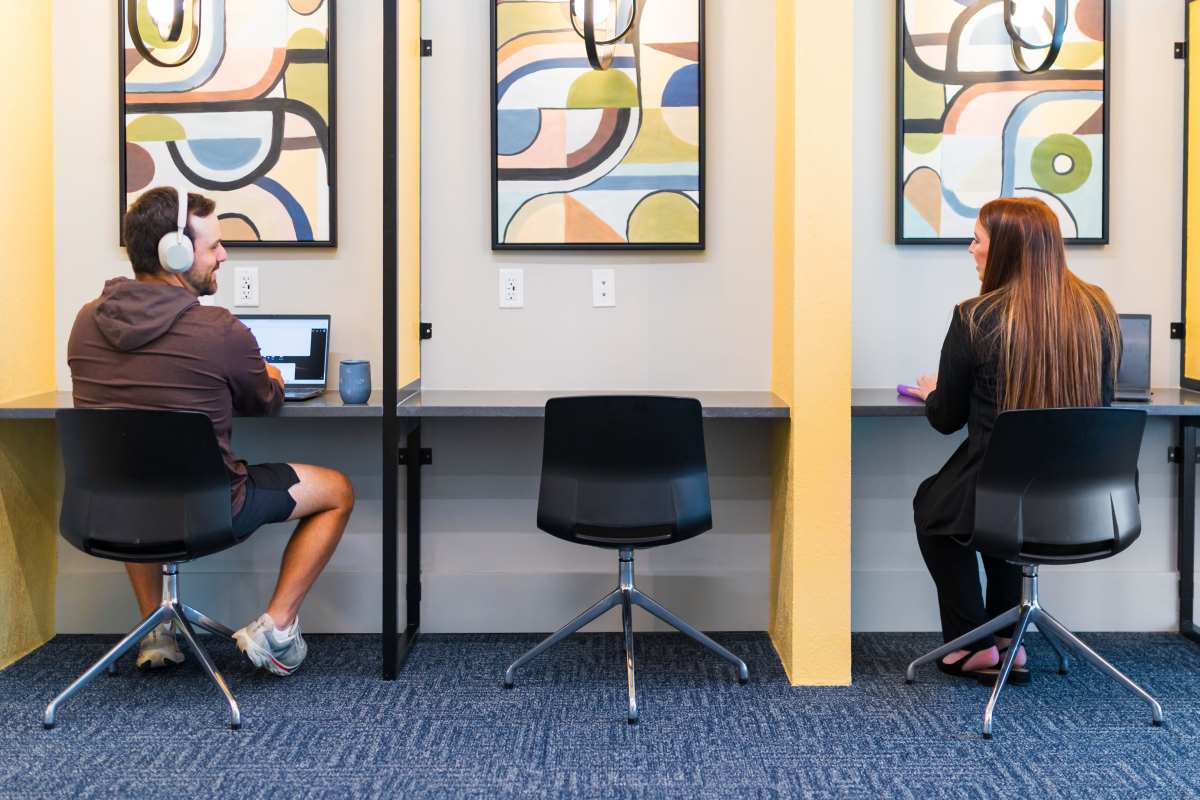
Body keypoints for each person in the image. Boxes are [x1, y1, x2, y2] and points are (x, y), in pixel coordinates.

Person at [67, 187, 354, 676]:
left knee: (136, 477)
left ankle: (153, 630)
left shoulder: (85, 321)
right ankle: (276, 631)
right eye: (213, 246)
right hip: (210, 510)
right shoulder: (219, 329)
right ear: (174, 253)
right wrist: (274, 376)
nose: (223, 255)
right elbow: (262, 400)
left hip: (108, 511)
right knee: (338, 489)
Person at [908, 197, 1119, 682]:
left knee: (936, 507)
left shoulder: (975, 318)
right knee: (984, 504)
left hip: (1001, 495)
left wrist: (935, 392)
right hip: (1082, 503)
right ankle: (1008, 638)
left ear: (1001, 249)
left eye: (977, 240)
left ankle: (973, 644)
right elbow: (1102, 406)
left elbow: (945, 419)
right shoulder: (1098, 312)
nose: (970, 249)